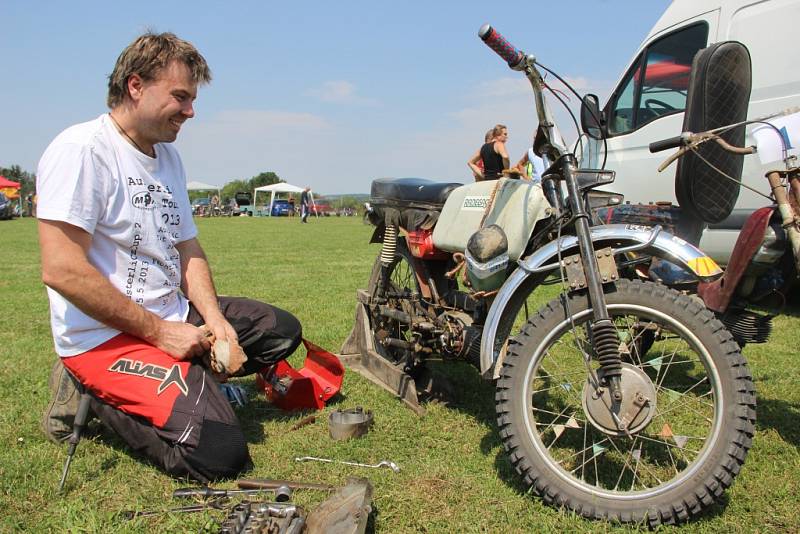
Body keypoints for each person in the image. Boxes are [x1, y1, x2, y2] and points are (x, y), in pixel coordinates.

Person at [37, 32, 303, 482]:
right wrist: (161, 334)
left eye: (193, 99)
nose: (190, 111)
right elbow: (62, 270)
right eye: (180, 96)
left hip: (175, 317)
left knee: (280, 332)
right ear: (135, 86)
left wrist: (214, 321)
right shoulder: (82, 150)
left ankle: (187, 375)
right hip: (105, 339)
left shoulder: (168, 158)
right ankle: (92, 392)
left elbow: (187, 248)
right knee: (220, 453)